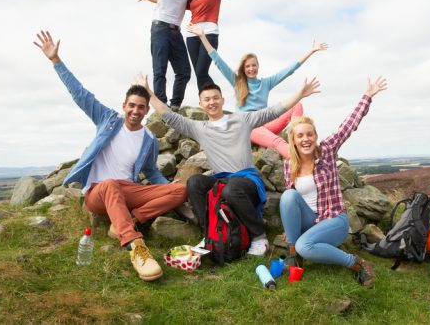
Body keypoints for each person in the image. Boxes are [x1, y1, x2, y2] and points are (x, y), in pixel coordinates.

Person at [33, 30, 187, 282]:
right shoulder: (108, 120)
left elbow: (151, 172)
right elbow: (80, 94)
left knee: (181, 191)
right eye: (131, 105)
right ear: (124, 105)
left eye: (141, 107)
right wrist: (56, 61)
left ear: (147, 110)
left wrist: (167, 187)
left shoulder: (149, 139)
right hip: (98, 193)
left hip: (127, 191)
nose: (135, 111)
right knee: (110, 184)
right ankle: (136, 247)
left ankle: (127, 221)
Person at [135, 73, 320, 256]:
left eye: (215, 98)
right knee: (194, 183)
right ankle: (210, 235)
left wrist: (300, 94)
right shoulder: (199, 128)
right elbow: (169, 116)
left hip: (247, 181)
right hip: (222, 180)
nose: (212, 102)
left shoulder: (242, 120)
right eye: (207, 99)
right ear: (201, 104)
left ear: (222, 100)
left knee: (230, 189)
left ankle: (259, 237)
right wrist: (148, 91)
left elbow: (272, 111)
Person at [280, 76, 388, 288]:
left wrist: (367, 96)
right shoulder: (289, 164)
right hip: (310, 220)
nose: (306, 139)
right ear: (293, 140)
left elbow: (348, 126)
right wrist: (290, 229)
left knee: (305, 245)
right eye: (300, 136)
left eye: (309, 134)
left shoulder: (327, 151)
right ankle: (294, 254)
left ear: (315, 136)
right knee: (288, 195)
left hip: (334, 220)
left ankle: (356, 263)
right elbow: (291, 205)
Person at [186, 24, 327, 159]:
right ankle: (303, 158)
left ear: (258, 66)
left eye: (254, 65)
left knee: (297, 105)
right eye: (248, 66)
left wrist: (310, 51)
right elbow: (217, 60)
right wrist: (203, 37)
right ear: (243, 68)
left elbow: (289, 70)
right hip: (248, 126)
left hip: (265, 122)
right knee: (277, 142)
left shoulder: (266, 83)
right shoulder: (237, 82)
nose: (251, 68)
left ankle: (297, 136)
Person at [140, 0, 274, 91]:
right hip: (192, 36)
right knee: (199, 74)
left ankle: (216, 96)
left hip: (209, 33)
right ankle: (206, 101)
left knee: (201, 72)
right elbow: (171, 4)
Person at [101, 0, 192, 110]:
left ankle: (175, 106)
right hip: (160, 29)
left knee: (184, 71)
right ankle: (161, 106)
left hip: (176, 31)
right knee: (160, 69)